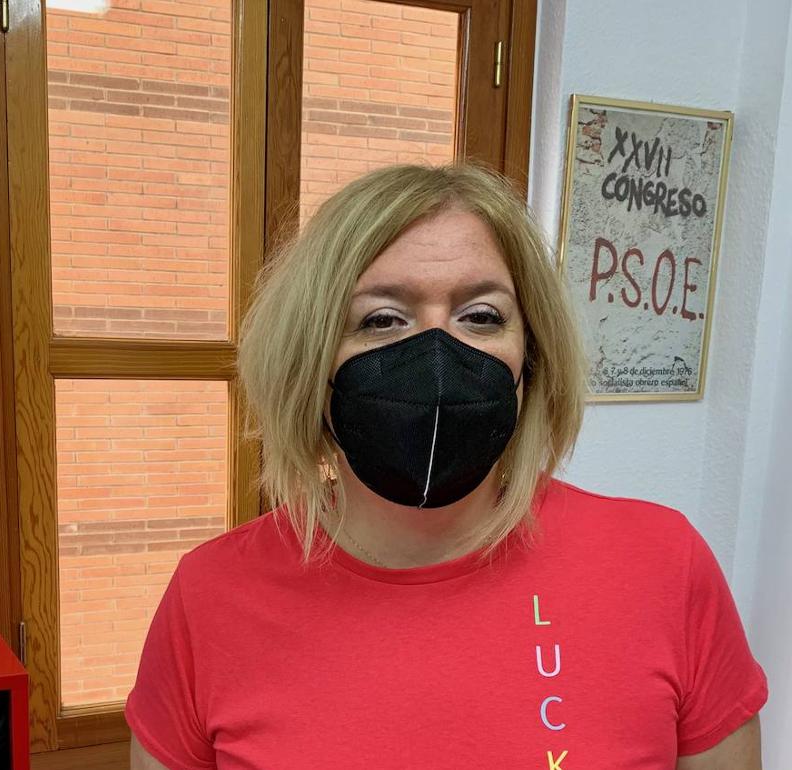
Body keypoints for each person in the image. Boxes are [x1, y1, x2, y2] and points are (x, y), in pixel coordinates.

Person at [126, 165, 765, 768]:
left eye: (481, 316)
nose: (437, 353)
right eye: (381, 319)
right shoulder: (209, 599)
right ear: (309, 361)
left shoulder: (663, 565)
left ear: (531, 356)